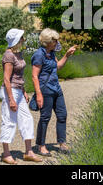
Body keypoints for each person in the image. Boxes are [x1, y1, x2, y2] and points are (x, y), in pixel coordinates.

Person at [31, 28, 77, 156]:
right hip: (45, 89)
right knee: (45, 117)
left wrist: (66, 55)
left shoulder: (51, 53)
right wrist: (39, 94)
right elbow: (34, 76)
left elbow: (57, 67)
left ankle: (62, 144)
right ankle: (41, 146)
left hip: (56, 88)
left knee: (62, 115)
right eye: (55, 40)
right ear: (48, 41)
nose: (57, 42)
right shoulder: (39, 55)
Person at [0, 28, 42, 164]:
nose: (24, 40)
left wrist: (23, 90)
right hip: (10, 91)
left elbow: (18, 76)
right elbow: (7, 79)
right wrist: (11, 98)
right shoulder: (9, 55)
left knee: (27, 119)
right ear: (16, 40)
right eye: (22, 38)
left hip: (18, 90)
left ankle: (29, 152)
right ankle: (6, 153)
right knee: (9, 120)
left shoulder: (18, 54)